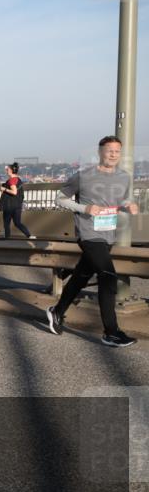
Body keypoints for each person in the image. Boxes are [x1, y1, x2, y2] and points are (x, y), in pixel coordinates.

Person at [47, 136, 140, 348]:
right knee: (108, 277)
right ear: (100, 152)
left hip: (108, 234)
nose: (114, 155)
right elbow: (59, 198)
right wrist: (85, 209)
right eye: (110, 151)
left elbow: (122, 199)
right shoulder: (84, 175)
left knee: (81, 276)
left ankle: (57, 311)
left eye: (117, 151)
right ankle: (111, 332)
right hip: (88, 234)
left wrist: (129, 205)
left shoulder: (124, 177)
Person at [0, 163, 34, 239]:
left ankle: (7, 238)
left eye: (7, 169)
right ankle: (29, 235)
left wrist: (4, 189)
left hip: (9, 205)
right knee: (17, 223)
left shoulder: (11, 180)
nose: (6, 170)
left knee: (6, 223)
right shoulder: (18, 180)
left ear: (11, 170)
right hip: (17, 205)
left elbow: (14, 192)